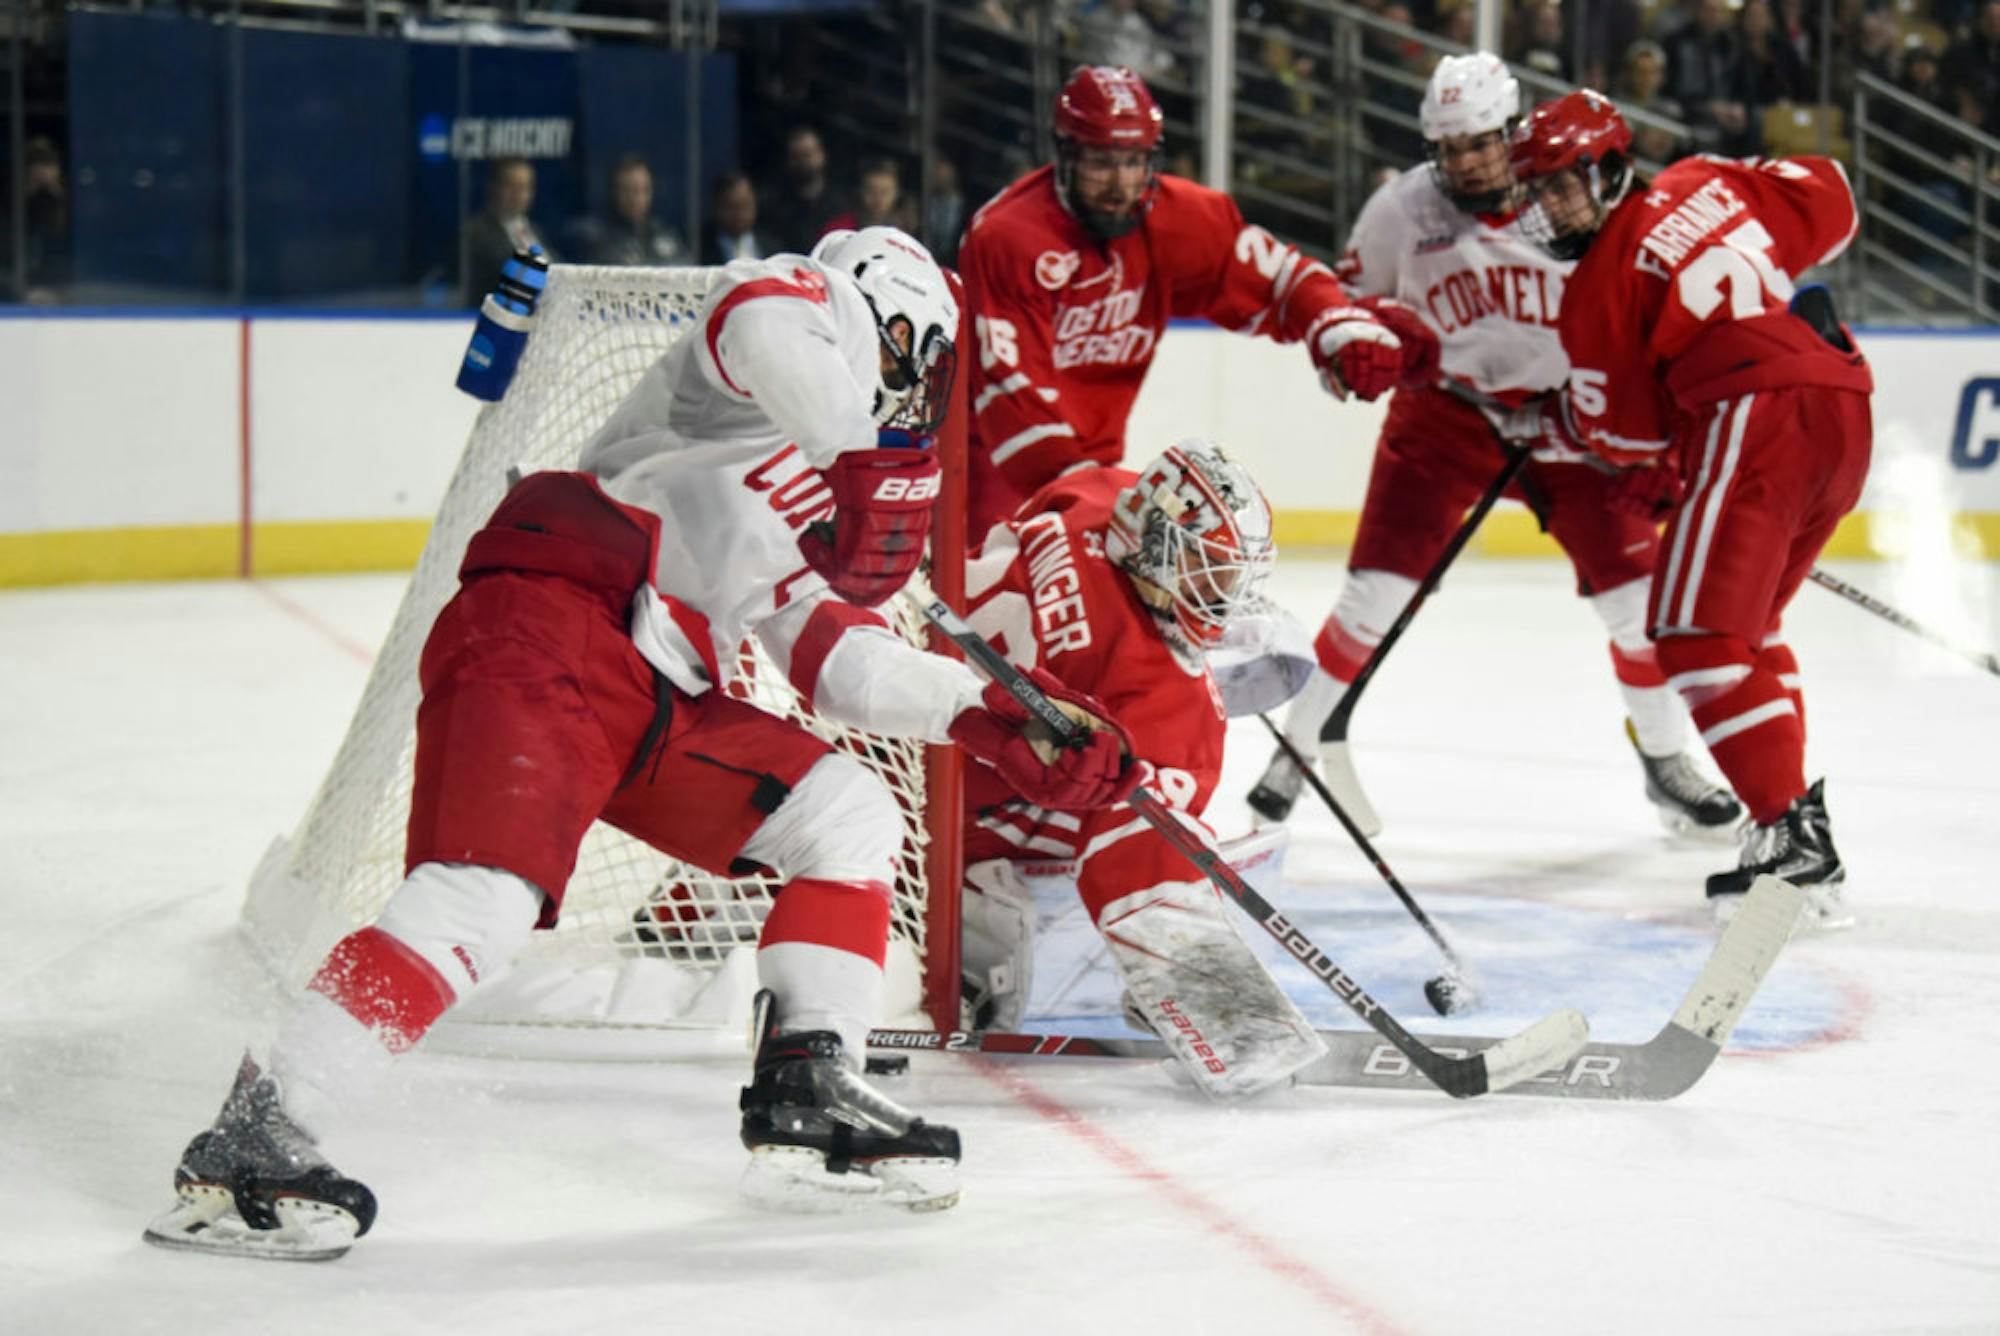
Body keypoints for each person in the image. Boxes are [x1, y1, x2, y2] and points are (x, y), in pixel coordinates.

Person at [143, 226, 1144, 1256]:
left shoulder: (816, 486)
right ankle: (253, 1137)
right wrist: (859, 447)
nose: (929, 385)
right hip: (555, 622)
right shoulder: (801, 318)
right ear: (893, 322)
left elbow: (835, 661)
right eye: (926, 358)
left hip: (657, 684)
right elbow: (759, 316)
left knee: (848, 812)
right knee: (480, 899)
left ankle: (811, 1084)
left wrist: (986, 715)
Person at [1248, 55, 1741, 843]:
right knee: (1373, 595)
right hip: (1448, 415)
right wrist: (1364, 346)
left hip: (1573, 419)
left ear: (1512, 131)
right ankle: (1297, 751)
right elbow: (1347, 304)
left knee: (1636, 612)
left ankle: (1665, 761)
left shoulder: (1568, 198)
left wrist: (1656, 441)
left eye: (1480, 143)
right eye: (1448, 148)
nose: (1466, 163)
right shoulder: (1400, 209)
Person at [1505, 89, 1871, 923]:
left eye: (1565, 184)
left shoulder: (1596, 284)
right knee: (1746, 632)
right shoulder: (1709, 177)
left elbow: (1621, 435)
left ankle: (1794, 839)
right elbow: (1835, 197)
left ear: (1609, 169)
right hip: (1839, 400)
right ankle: (1779, 823)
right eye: (1540, 191)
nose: (1550, 206)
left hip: (1756, 416)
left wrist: (1556, 420)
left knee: (1692, 633)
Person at [957, 441, 1327, 1099]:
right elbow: (1137, 856)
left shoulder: (1094, 495)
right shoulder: (1162, 698)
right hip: (960, 809)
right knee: (1178, 838)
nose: (1223, 598)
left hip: (904, 698)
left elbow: (1024, 534)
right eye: (1210, 572)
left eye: (1235, 580)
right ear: (1155, 548)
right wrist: (1227, 1017)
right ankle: (971, 949)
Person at [956, 64, 1431, 536]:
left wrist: (1333, 321)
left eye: (1133, 162)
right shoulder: (1010, 237)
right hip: (991, 463)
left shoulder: (1178, 220)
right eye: (1101, 162)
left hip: (1093, 469)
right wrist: (1082, 493)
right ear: (1066, 156)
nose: (1120, 184)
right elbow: (1011, 394)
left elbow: (1278, 278)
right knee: (992, 601)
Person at [460, 158, 554, 307]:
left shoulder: (533, 230)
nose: (518, 194)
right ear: (493, 187)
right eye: (511, 186)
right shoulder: (476, 233)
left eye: (525, 187)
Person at [568, 153, 690, 268]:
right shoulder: (594, 238)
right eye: (627, 190)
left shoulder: (665, 235)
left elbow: (687, 275)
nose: (634, 199)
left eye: (641, 190)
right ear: (613, 192)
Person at [762, 126, 849, 254]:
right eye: (796, 156)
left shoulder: (842, 204)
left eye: (807, 155)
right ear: (788, 161)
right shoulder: (776, 207)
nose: (802, 162)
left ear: (821, 155)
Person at [700, 170, 764, 265]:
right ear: (715, 206)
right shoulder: (699, 248)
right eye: (731, 207)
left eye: (745, 205)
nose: (739, 214)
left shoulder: (773, 248)